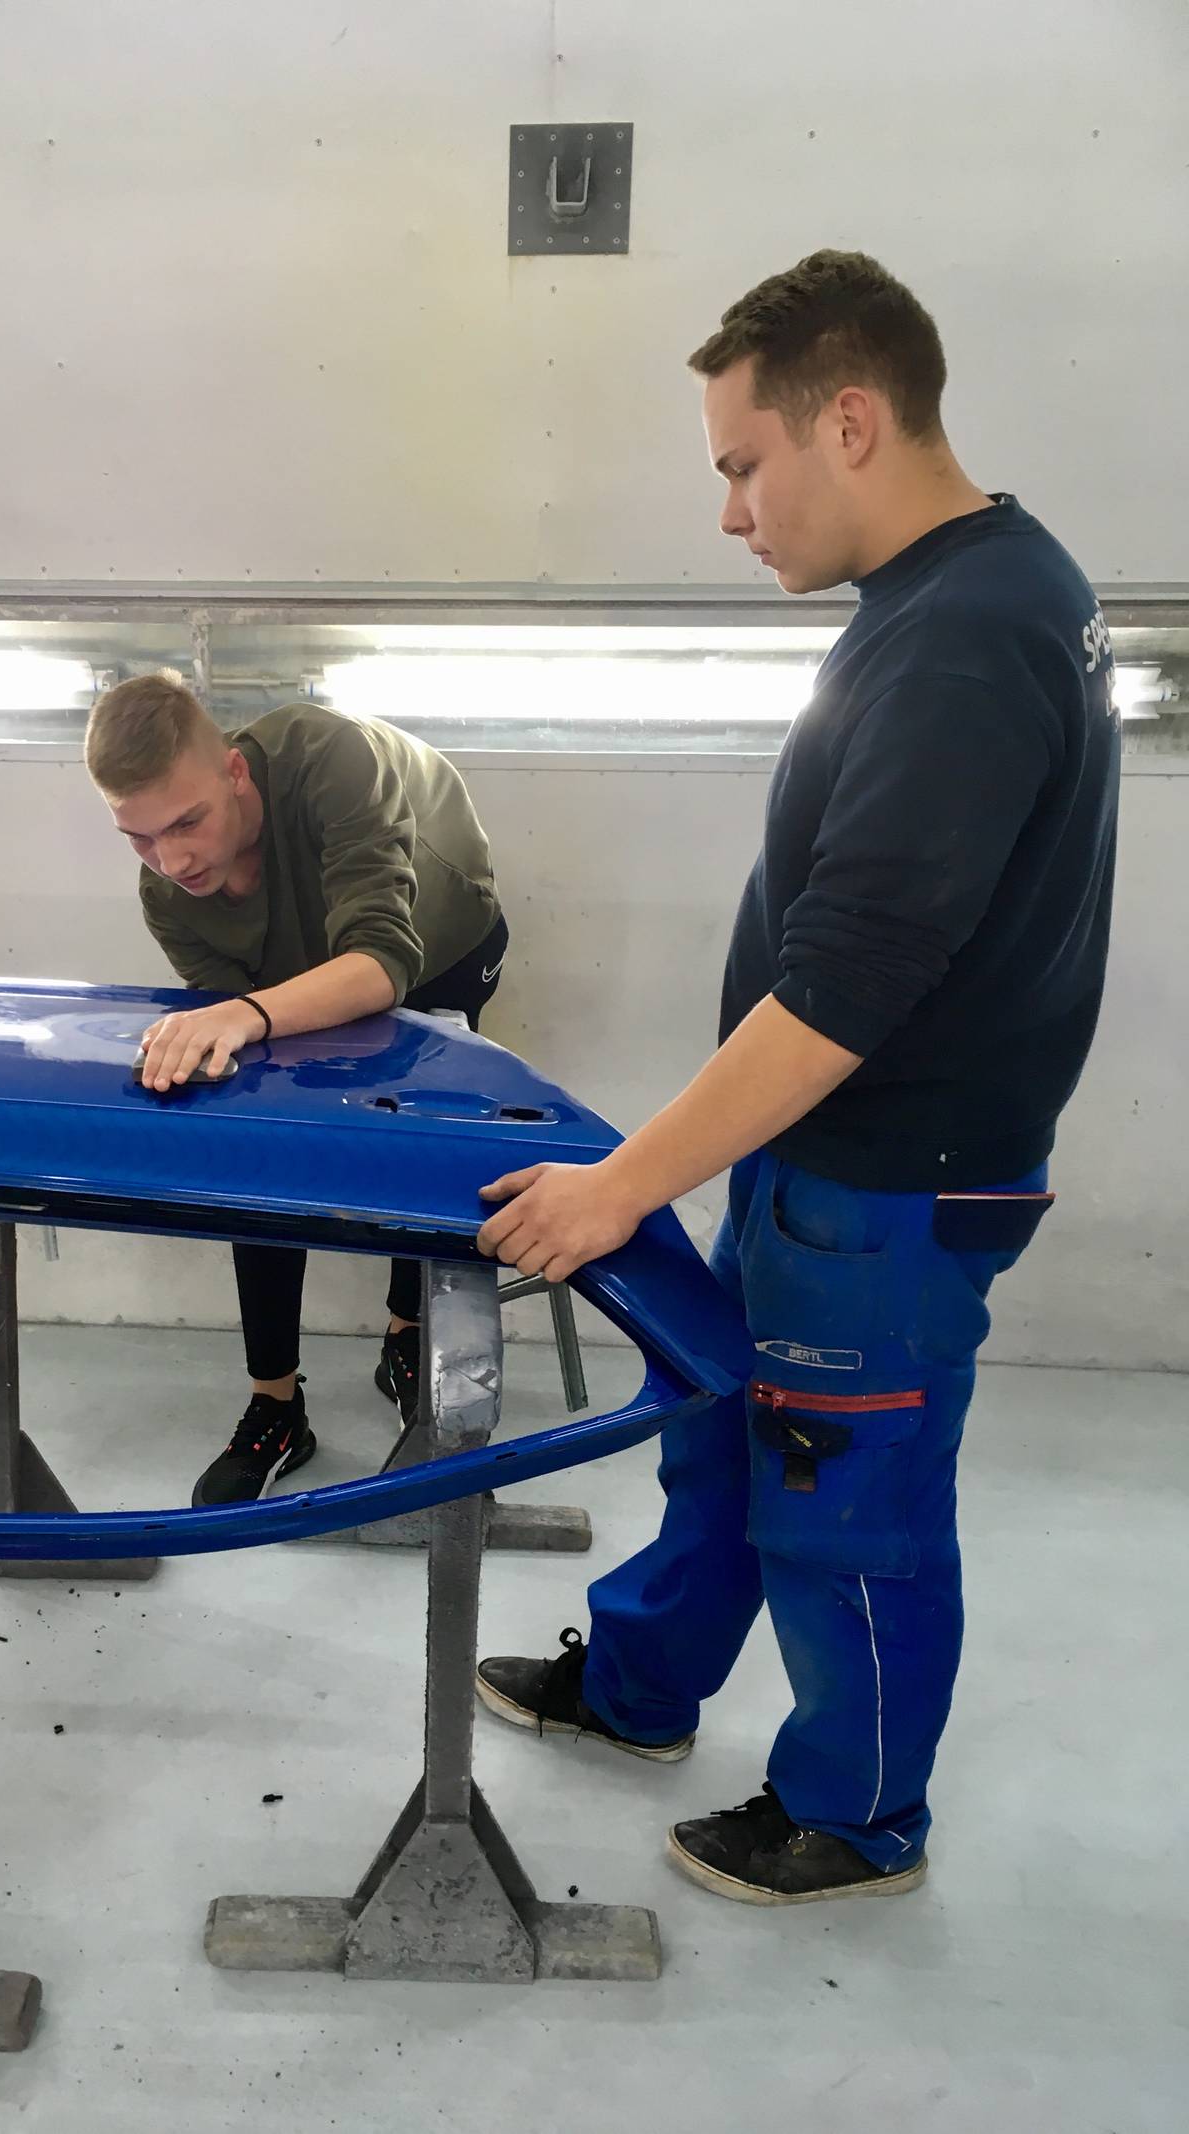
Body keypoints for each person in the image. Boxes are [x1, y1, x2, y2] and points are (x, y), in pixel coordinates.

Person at [473, 250, 1120, 1905]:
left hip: (893, 1174)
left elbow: (847, 984)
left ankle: (857, 1811)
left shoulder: (968, 634)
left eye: (743, 464)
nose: (731, 512)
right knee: (726, 1433)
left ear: (850, 421)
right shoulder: (957, 593)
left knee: (847, 1491)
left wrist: (622, 1186)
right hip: (823, 1154)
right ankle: (641, 1685)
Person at [84, 672, 508, 1507]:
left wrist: (244, 1014)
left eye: (187, 822)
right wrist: (234, 1026)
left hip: (439, 938)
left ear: (236, 773)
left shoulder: (331, 757)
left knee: (415, 1132)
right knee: (261, 1133)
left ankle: (407, 1338)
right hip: (300, 967)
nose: (173, 861)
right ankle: (276, 1404)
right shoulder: (168, 894)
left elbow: (382, 964)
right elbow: (248, 1043)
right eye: (139, 838)